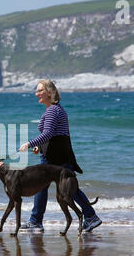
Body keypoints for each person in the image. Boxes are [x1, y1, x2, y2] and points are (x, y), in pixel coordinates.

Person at [18, 79, 102, 233]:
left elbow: (48, 133)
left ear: (49, 92)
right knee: (67, 188)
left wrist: (29, 144)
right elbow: (53, 134)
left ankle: (36, 221)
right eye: (36, 91)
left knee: (53, 188)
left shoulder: (52, 111)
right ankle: (90, 217)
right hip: (58, 154)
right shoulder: (56, 110)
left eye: (39, 91)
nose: (36, 94)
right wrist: (39, 146)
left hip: (56, 157)